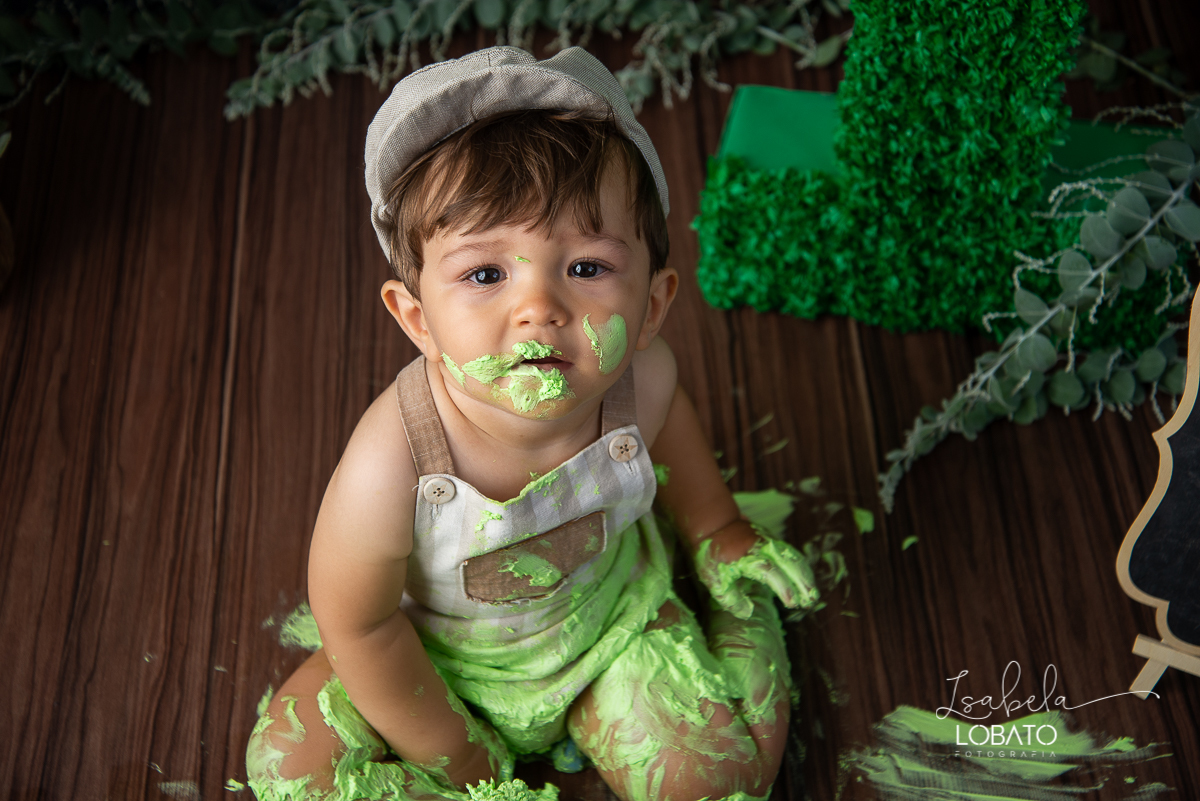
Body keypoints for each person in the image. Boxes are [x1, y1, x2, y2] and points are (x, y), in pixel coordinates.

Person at [246, 46, 819, 801]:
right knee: (287, 764)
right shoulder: (394, 459)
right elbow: (358, 624)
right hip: (430, 658)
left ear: (652, 305)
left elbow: (674, 432)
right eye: (486, 274)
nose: (538, 307)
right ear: (416, 320)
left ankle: (735, 606)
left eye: (585, 267)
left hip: (608, 625)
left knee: (718, 782)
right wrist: (457, 756)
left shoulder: (642, 384)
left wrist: (717, 529)